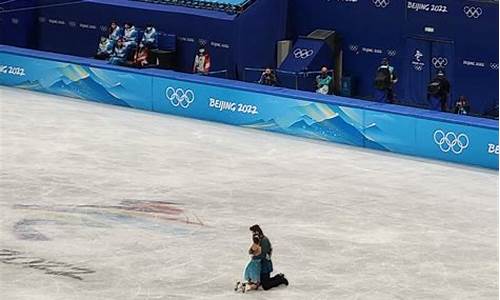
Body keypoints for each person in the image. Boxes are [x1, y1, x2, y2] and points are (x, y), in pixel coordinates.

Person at [249, 224, 288, 290]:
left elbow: (263, 254)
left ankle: (281, 280)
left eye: (253, 232)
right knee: (263, 282)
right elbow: (251, 250)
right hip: (260, 264)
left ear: (257, 231)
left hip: (265, 265)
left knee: (266, 286)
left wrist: (254, 257)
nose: (252, 234)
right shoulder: (258, 240)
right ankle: (278, 276)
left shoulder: (264, 240)